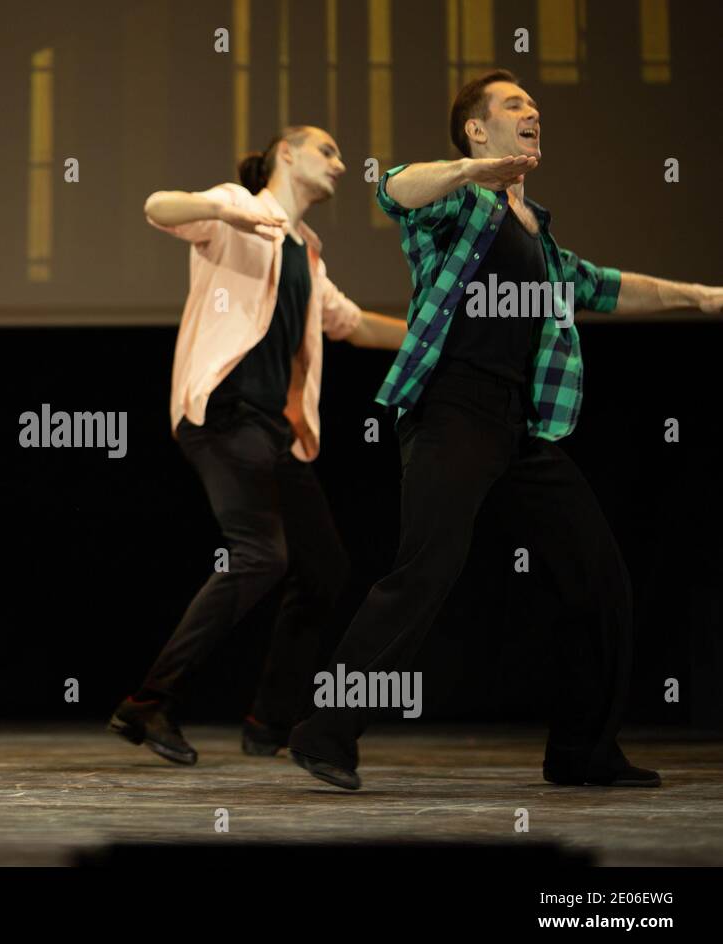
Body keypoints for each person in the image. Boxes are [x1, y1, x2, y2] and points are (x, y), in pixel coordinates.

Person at [288, 70, 723, 791]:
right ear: (477, 131)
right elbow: (392, 188)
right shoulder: (457, 207)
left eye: (533, 105)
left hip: (520, 425)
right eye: (515, 105)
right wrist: (470, 172)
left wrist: (702, 297)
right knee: (424, 574)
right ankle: (325, 731)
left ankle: (584, 752)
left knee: (601, 579)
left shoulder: (543, 244)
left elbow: (608, 286)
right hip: (451, 410)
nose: (534, 112)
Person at [109, 126, 407, 765]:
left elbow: (351, 325)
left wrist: (429, 341)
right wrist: (220, 204)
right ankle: (147, 702)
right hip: (222, 414)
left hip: (274, 432)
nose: (341, 162)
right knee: (260, 556)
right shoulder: (239, 213)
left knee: (323, 569)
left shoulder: (307, 251)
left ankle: (268, 722)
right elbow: (157, 208)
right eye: (328, 150)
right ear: (287, 154)